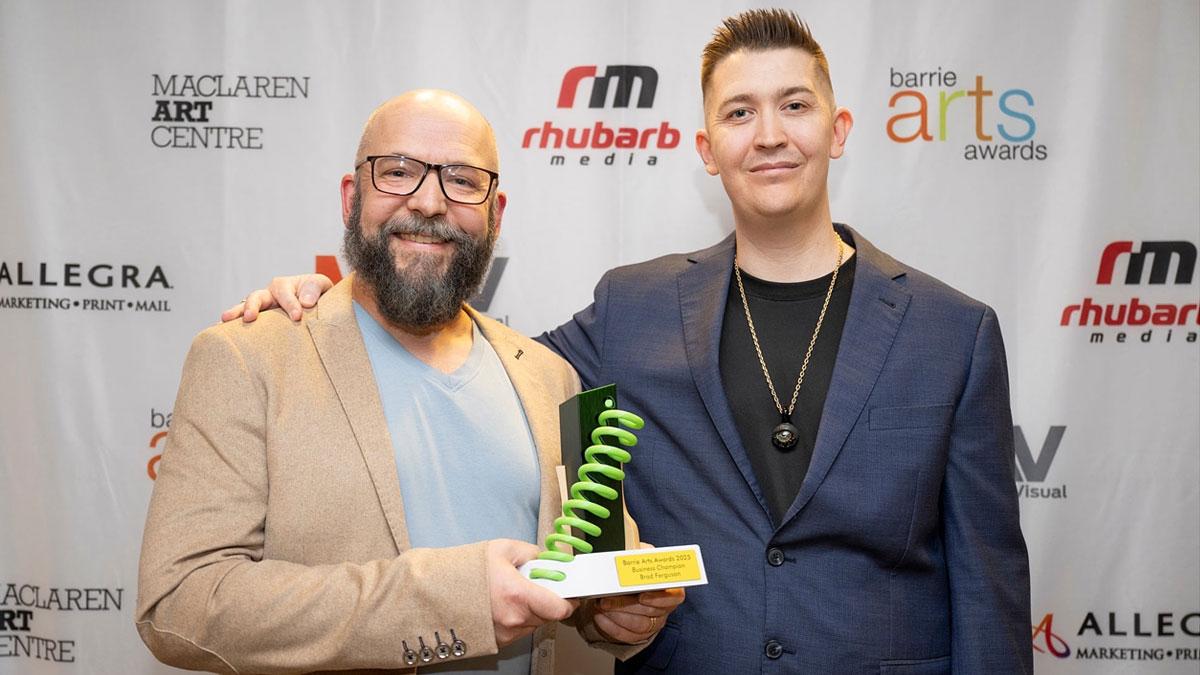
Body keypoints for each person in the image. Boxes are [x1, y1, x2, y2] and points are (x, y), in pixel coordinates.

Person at [227, 10, 1032, 673]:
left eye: (795, 105)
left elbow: (988, 590)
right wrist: (342, 302)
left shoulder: (953, 332)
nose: (769, 135)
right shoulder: (634, 307)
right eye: (739, 112)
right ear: (706, 148)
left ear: (839, 127)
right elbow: (474, 358)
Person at [138, 90, 682, 675]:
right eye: (397, 172)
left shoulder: (549, 376)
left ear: (496, 213)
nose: (428, 202)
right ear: (352, 198)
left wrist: (614, 615)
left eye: (462, 180)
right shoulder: (249, 358)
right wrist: (451, 601)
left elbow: (585, 582)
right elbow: (180, 604)